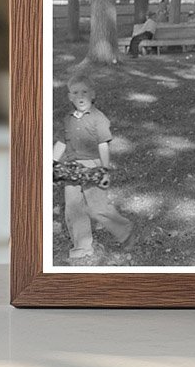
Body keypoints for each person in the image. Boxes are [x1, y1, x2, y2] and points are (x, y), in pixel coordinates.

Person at [52, 76, 134, 262]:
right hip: (71, 169)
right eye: (75, 93)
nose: (80, 96)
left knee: (97, 207)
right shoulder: (67, 120)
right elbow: (61, 142)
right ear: (69, 96)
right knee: (73, 208)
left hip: (93, 167)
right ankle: (82, 247)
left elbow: (103, 145)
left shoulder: (99, 119)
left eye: (85, 92)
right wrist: (51, 162)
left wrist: (104, 170)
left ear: (93, 95)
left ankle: (124, 229)